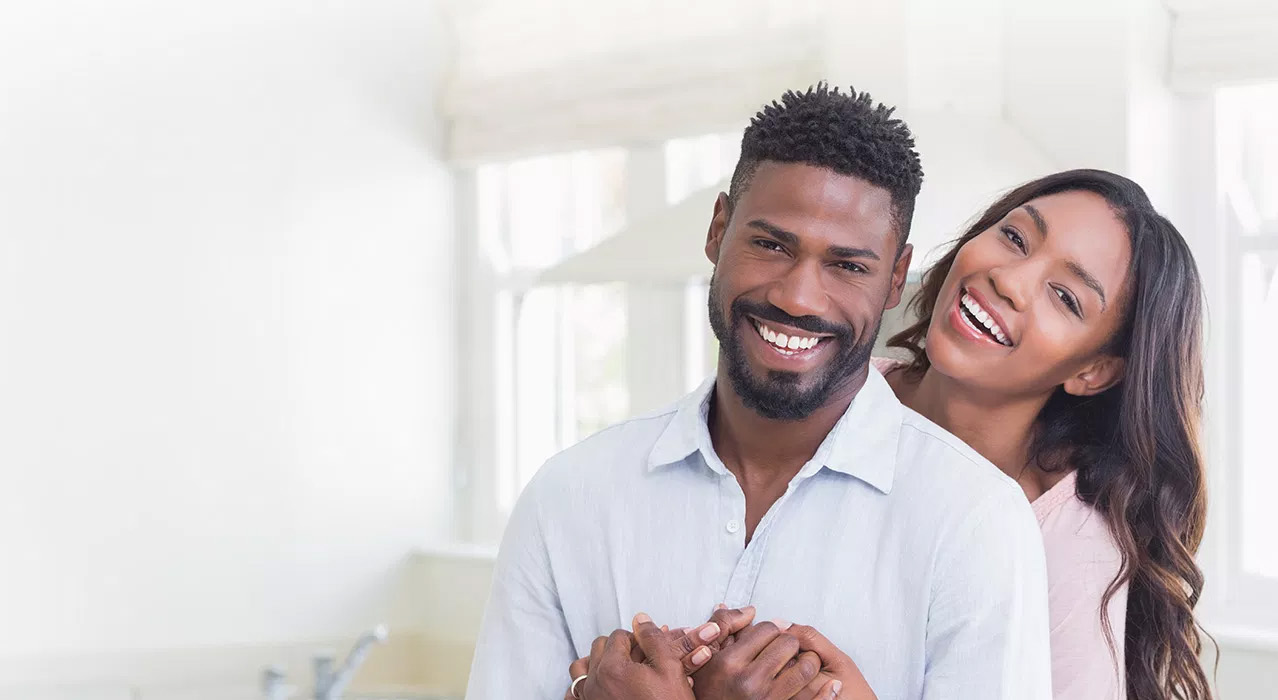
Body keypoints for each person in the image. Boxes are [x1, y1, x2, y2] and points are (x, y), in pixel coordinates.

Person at [465, 84, 1053, 700]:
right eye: (771, 245)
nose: (798, 297)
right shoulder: (569, 500)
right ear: (718, 229)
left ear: (894, 278)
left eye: (848, 265)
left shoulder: (974, 521)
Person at [877, 169, 1213, 700]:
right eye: (1014, 238)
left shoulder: (1070, 546)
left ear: (1093, 371)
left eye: (1065, 297)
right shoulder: (835, 396)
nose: (1008, 281)